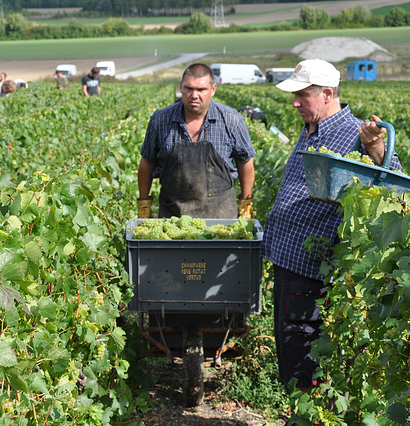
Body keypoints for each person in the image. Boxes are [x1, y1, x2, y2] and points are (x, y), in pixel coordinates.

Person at [262, 59, 403, 390]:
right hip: (287, 259)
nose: (294, 103)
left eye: (302, 95)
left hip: (312, 270)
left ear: (327, 93)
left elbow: (393, 180)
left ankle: (305, 416)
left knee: (303, 357)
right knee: (287, 345)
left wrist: (375, 146)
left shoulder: (355, 134)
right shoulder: (311, 126)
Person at [137, 63, 256, 220]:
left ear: (213, 89)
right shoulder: (160, 121)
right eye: (189, 88)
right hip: (173, 215)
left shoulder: (231, 120)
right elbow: (146, 164)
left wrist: (245, 205)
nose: (194, 95)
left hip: (220, 215)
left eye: (201, 90)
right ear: (181, 87)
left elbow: (246, 163)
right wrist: (144, 205)